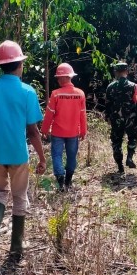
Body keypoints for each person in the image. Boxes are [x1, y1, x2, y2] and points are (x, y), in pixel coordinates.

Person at [0, 40, 46, 259]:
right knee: (19, 196)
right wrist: (42, 158)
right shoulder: (27, 92)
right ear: (19, 65)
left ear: (1, 65)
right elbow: (33, 131)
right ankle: (16, 245)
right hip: (17, 154)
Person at [41, 63, 87, 192]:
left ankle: (61, 183)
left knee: (57, 156)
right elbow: (82, 115)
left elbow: (49, 115)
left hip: (57, 133)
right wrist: (83, 131)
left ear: (64, 77)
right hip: (73, 133)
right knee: (72, 156)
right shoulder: (80, 94)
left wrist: (44, 130)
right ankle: (68, 182)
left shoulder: (55, 94)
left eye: (58, 77)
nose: (58, 80)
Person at [104, 62, 137, 174]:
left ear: (116, 72)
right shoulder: (134, 86)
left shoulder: (110, 87)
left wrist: (107, 117)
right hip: (131, 119)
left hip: (116, 120)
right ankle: (129, 157)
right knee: (133, 137)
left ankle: (120, 166)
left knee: (116, 142)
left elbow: (107, 105)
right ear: (127, 71)